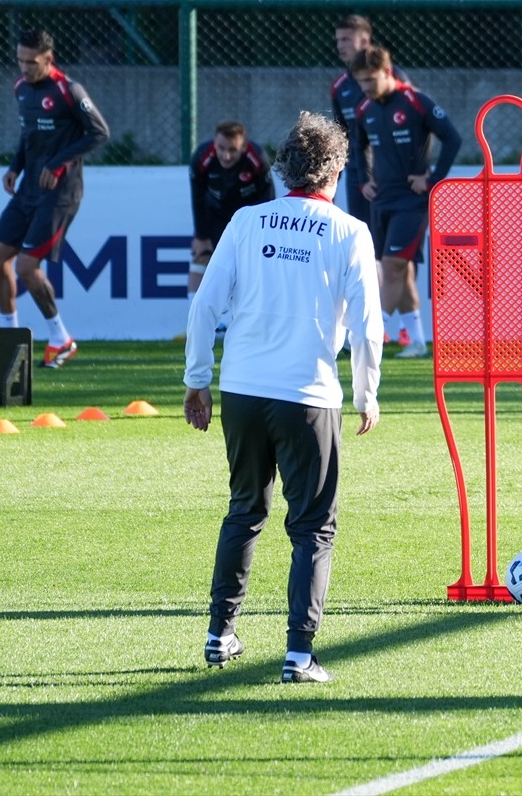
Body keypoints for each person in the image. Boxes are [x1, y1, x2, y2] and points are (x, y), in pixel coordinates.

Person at [183, 111, 383, 684]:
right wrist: (367, 392)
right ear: (337, 170)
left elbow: (204, 305)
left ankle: (220, 634)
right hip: (308, 396)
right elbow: (369, 326)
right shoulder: (349, 231)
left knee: (245, 510)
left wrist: (197, 380)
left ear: (279, 169)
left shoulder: (247, 221)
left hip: (243, 390)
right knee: (314, 527)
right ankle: (299, 653)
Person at [0, 28, 110, 368]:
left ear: (48, 59)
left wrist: (57, 163)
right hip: (28, 189)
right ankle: (10, 337)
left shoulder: (68, 90)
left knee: (27, 266)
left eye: (32, 62)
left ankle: (61, 339)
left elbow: (99, 131)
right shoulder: (21, 88)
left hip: (61, 193)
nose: (24, 68)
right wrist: (14, 167)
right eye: (20, 61)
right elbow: (29, 134)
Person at [351, 45, 461, 358]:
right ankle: (416, 341)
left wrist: (433, 179)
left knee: (394, 266)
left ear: (387, 72)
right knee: (402, 272)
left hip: (412, 202)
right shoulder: (364, 110)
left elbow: (452, 138)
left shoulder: (415, 101)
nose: (366, 88)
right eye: (361, 82)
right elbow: (357, 147)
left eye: (371, 80)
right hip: (381, 200)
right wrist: (363, 181)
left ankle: (371, 335)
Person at [331, 16, 414, 346]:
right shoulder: (340, 87)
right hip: (358, 180)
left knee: (399, 254)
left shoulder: (395, 80)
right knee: (365, 251)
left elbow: (416, 128)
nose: (340, 46)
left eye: (346, 40)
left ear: (365, 41)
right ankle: (371, 327)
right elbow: (343, 137)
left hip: (395, 182)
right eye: (338, 40)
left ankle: (402, 329)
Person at [186, 120, 274, 310]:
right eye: (221, 148)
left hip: (249, 219)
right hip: (215, 214)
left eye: (232, 150)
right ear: (214, 144)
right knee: (201, 256)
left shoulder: (257, 159)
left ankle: (243, 317)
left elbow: (268, 199)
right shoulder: (201, 158)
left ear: (243, 147)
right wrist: (201, 236)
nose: (226, 156)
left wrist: (263, 235)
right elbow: (197, 198)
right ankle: (193, 314)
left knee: (251, 266)